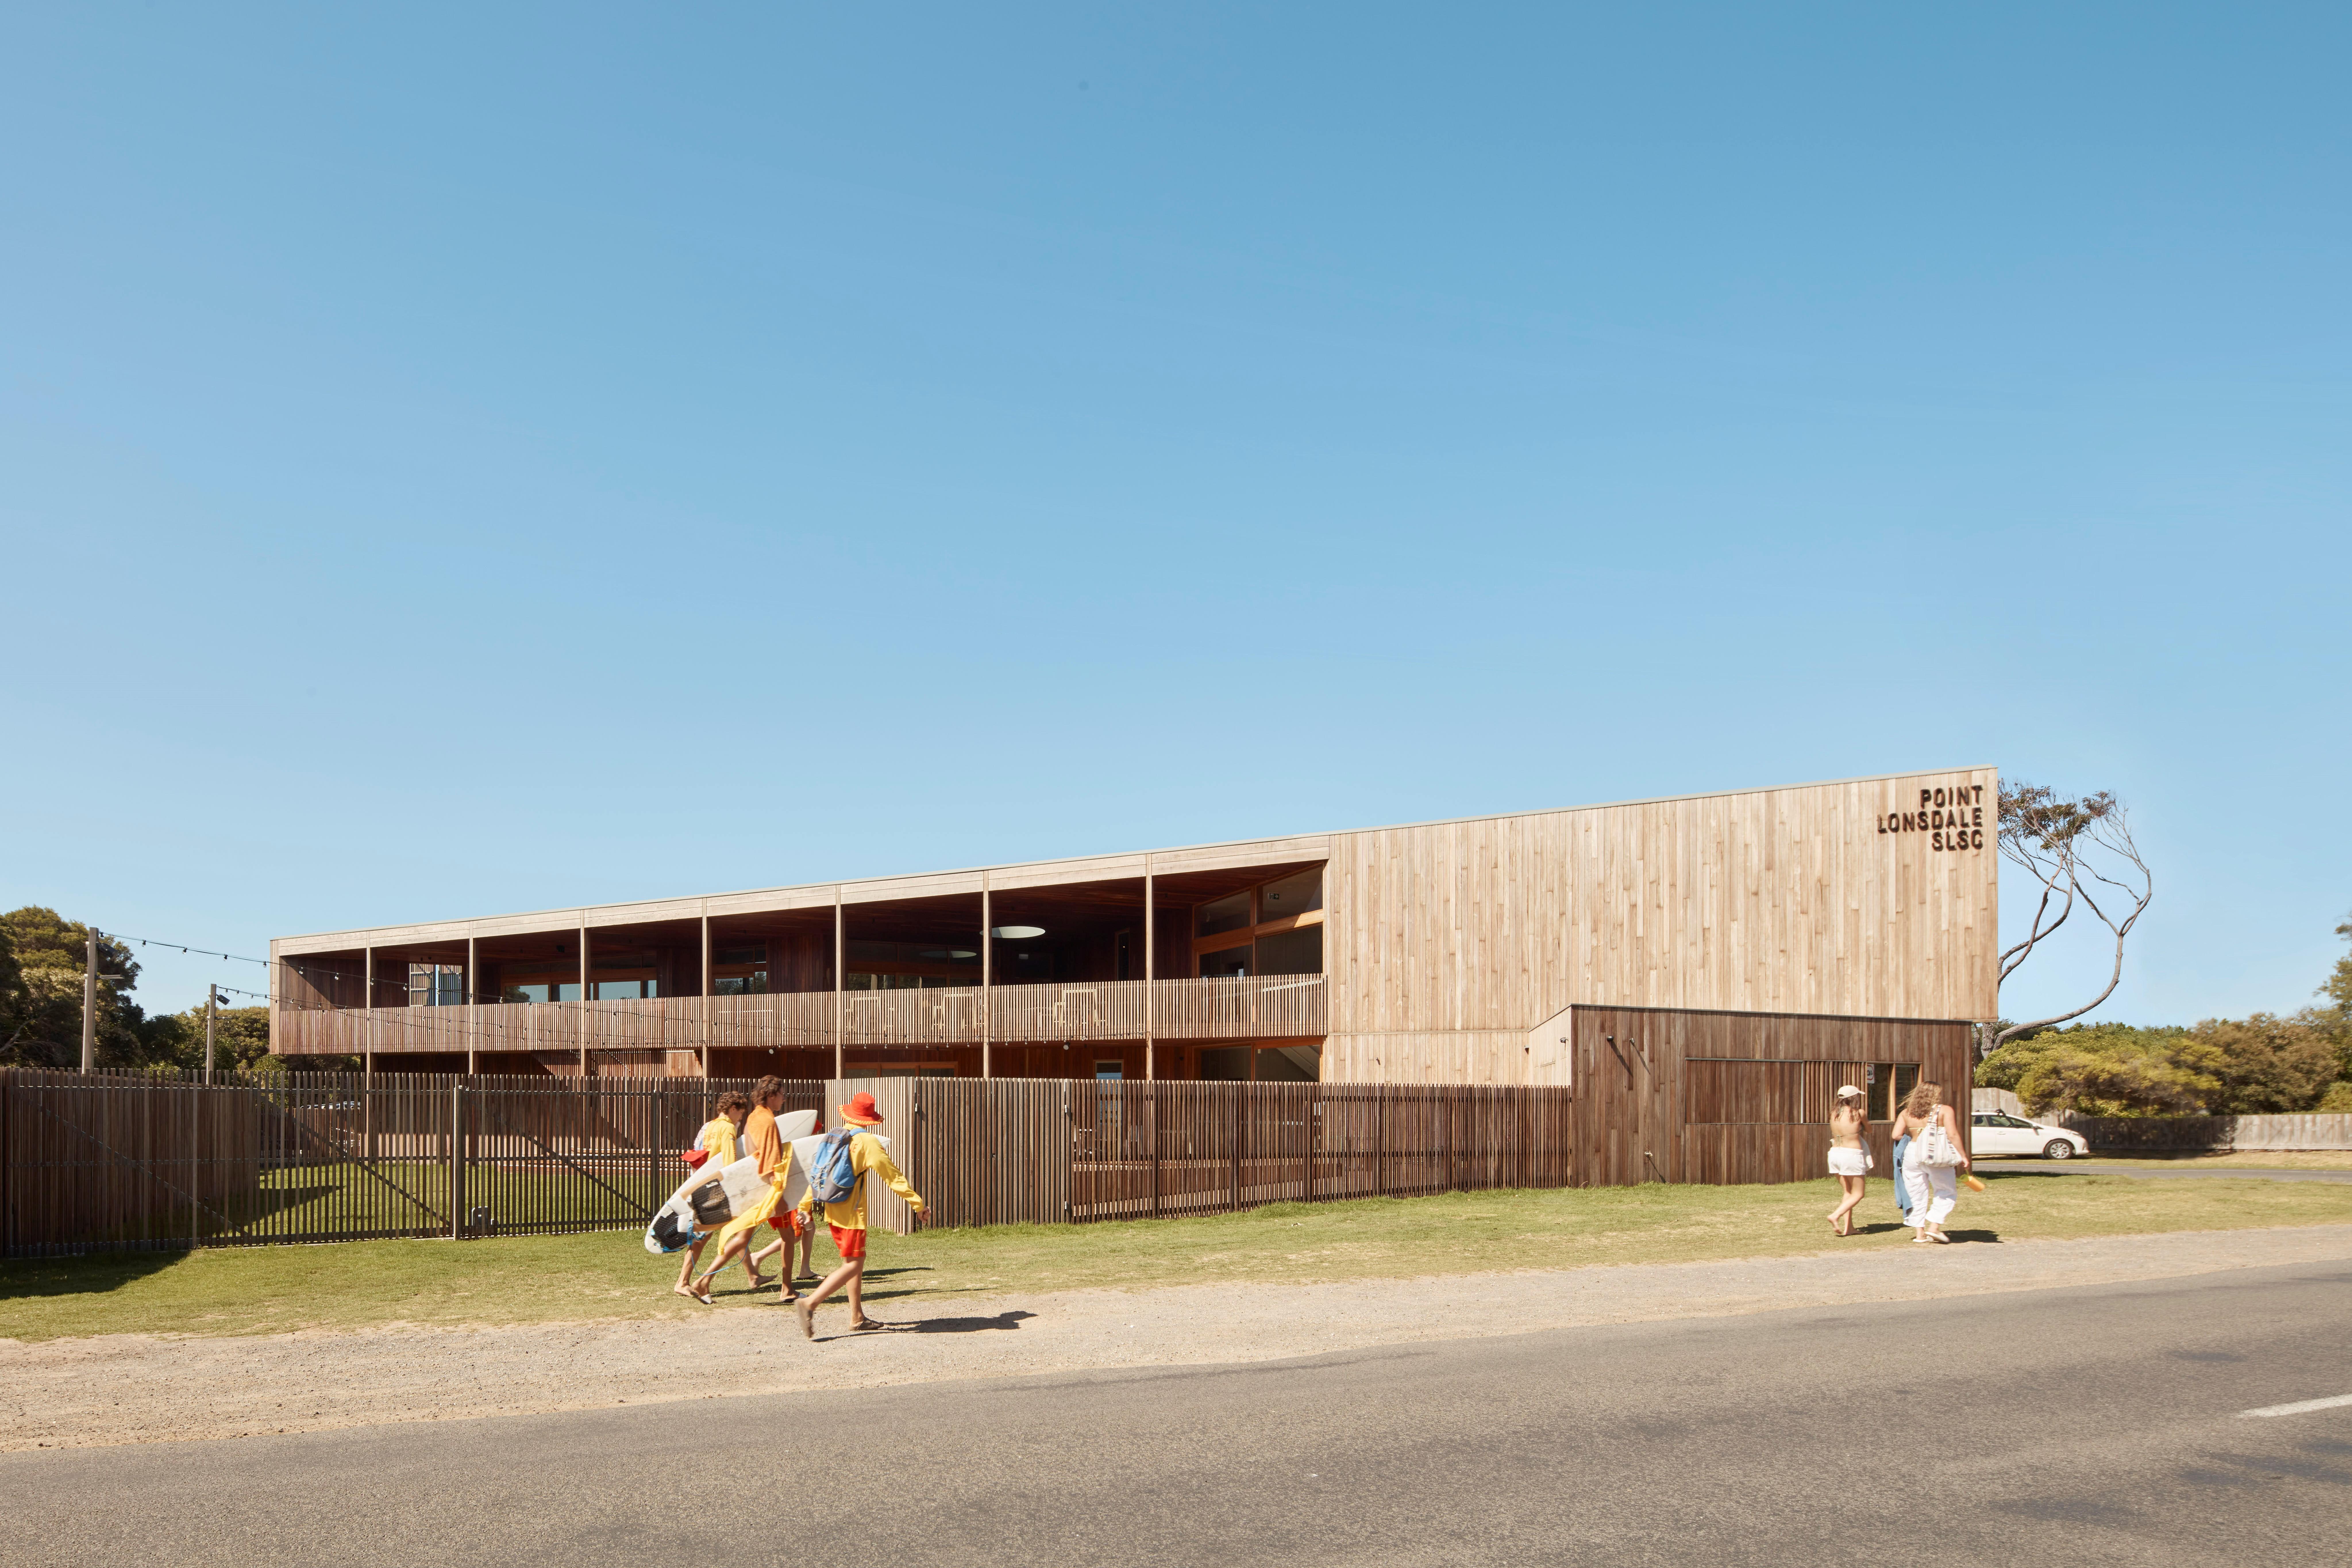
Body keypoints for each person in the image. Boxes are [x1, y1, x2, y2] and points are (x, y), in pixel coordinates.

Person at [793, 1090, 924, 1337]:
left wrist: (804, 1206)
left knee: (852, 1263)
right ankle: (809, 1303)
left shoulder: (835, 1135)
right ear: (869, 1118)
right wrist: (918, 1204)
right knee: (854, 1264)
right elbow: (892, 1176)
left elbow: (818, 1172)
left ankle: (857, 1317)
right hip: (852, 1215)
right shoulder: (867, 1142)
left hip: (832, 1210)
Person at [690, 1076, 800, 1303]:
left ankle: (704, 1282)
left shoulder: (753, 1117)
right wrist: (776, 1195)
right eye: (781, 1094)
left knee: (744, 1239)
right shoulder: (767, 1121)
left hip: (755, 1185)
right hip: (768, 1188)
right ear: (771, 1095)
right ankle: (787, 1290)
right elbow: (769, 1160)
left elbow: (751, 1155)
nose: (784, 1098)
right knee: (789, 1236)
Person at [673, 1091, 761, 1301]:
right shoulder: (728, 1127)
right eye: (741, 1112)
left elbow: (699, 1152)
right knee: (705, 1235)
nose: (741, 1117)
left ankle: (753, 1276)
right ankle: (683, 1282)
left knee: (737, 1230)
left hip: (700, 1182)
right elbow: (730, 1162)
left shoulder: (710, 1125)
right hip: (715, 1188)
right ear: (733, 1109)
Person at [1891, 1079, 1969, 1244]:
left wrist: (1914, 1136)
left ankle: (1920, 1234)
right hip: (1935, 1154)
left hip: (1912, 1153)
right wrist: (1963, 1156)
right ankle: (1934, 1227)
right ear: (1935, 1095)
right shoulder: (1944, 1111)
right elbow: (1953, 1135)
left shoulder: (1906, 1113)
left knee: (1916, 1193)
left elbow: (1896, 1135)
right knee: (1946, 1191)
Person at [1825, 1084, 1871, 1236]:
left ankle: (1849, 1228)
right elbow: (1869, 1130)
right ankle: (1835, 1215)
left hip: (1835, 1153)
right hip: (1852, 1155)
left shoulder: (1833, 1114)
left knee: (1848, 1191)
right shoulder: (1858, 1113)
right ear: (1853, 1098)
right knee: (1859, 1194)